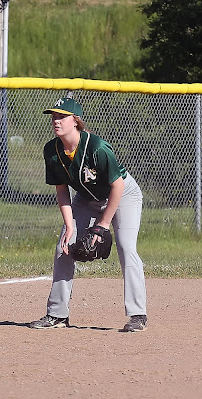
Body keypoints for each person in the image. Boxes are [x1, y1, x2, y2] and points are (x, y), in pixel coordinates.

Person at [29, 97, 147, 332]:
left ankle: (137, 314)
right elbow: (62, 190)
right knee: (63, 247)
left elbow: (118, 186)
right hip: (85, 199)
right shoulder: (51, 151)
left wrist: (102, 225)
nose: (56, 120)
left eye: (62, 116)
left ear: (75, 121)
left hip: (123, 195)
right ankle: (57, 314)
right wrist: (70, 227)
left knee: (126, 247)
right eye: (54, 116)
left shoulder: (97, 147)